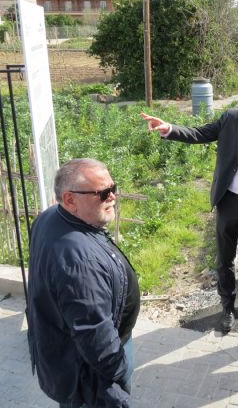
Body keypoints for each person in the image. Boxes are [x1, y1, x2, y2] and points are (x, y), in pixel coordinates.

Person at [141, 71, 238, 333]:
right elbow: (200, 133)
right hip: (229, 202)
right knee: (225, 258)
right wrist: (168, 128)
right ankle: (227, 305)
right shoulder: (232, 118)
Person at [27, 158, 140, 408]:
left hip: (61, 355)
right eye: (102, 193)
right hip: (87, 372)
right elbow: (94, 331)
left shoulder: (48, 218)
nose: (112, 197)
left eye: (113, 188)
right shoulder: (80, 261)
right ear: (70, 200)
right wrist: (118, 371)